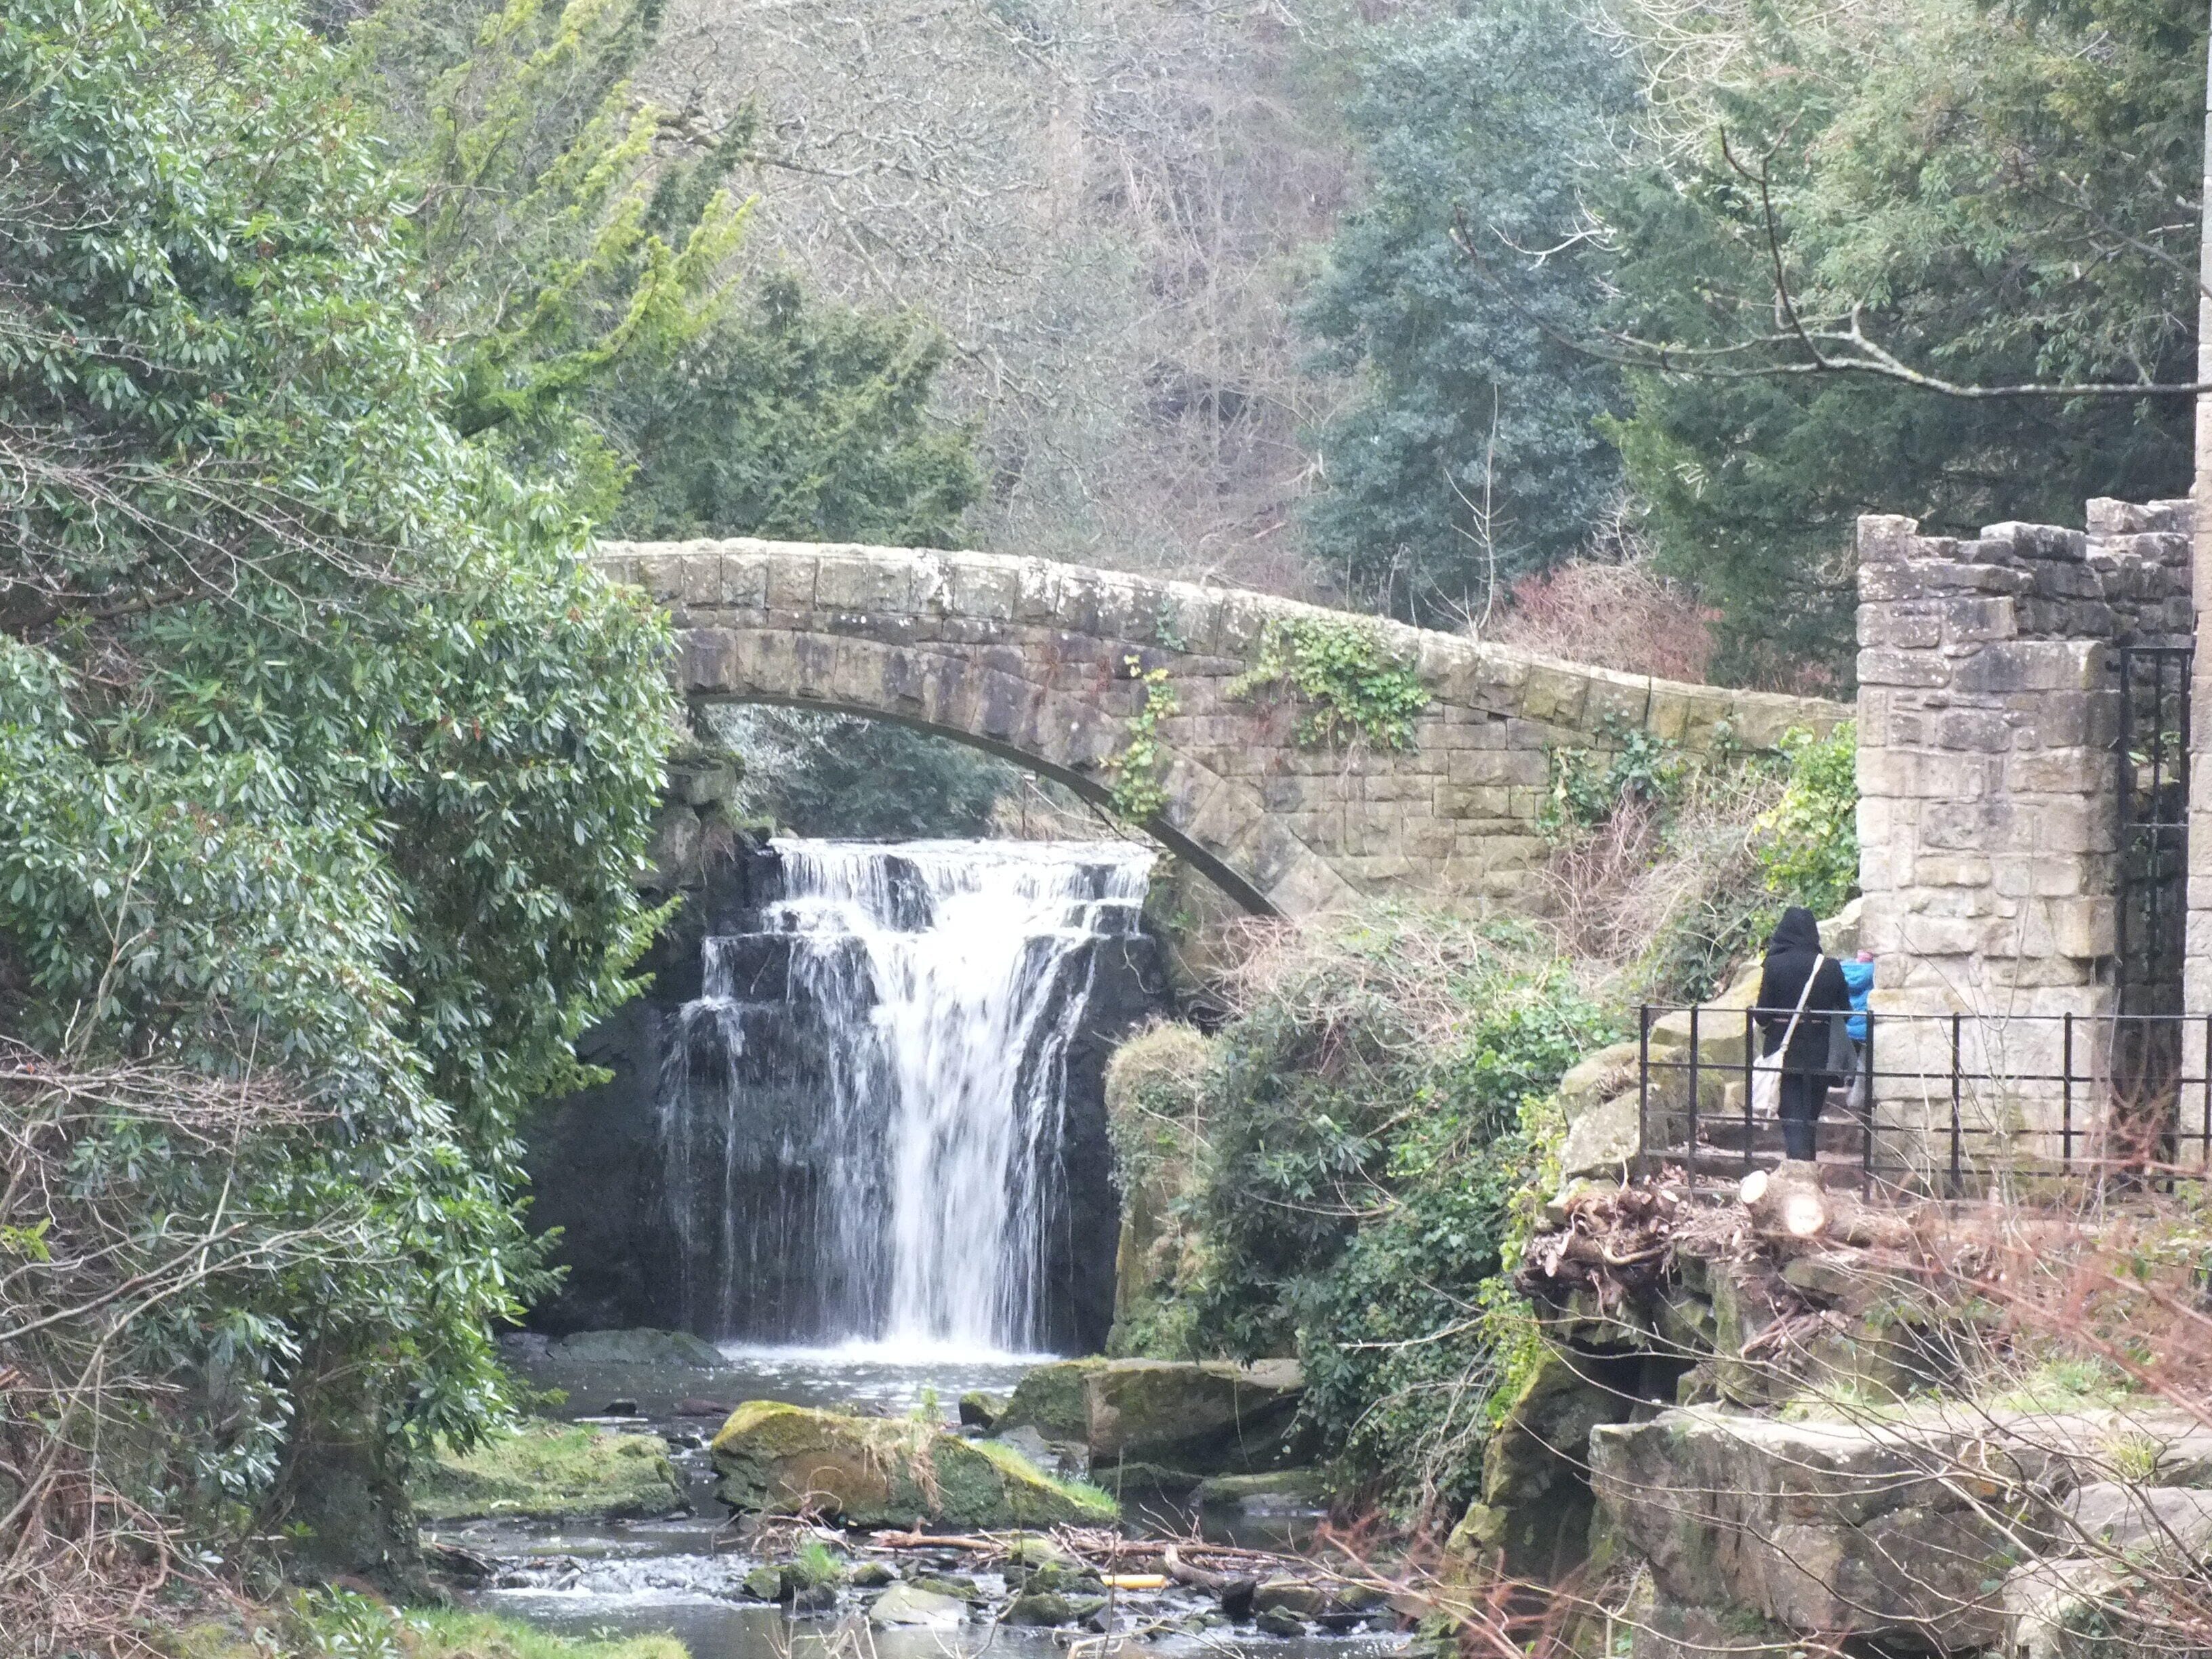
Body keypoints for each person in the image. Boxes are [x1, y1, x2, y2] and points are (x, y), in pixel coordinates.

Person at [1754, 907, 1853, 1162]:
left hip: (1784, 1053)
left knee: (1791, 1117)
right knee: (1809, 1118)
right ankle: (1806, 1172)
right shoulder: (1830, 967)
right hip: (1821, 1053)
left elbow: (1762, 1015)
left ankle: (1800, 1174)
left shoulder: (1774, 965)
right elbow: (1847, 1011)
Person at [1839, 949, 1875, 1111]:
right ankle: (1856, 1100)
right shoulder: (1875, 970)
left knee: (1849, 1055)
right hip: (1864, 1024)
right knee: (1864, 1061)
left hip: (1847, 1023)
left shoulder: (1843, 968)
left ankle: (1845, 1079)